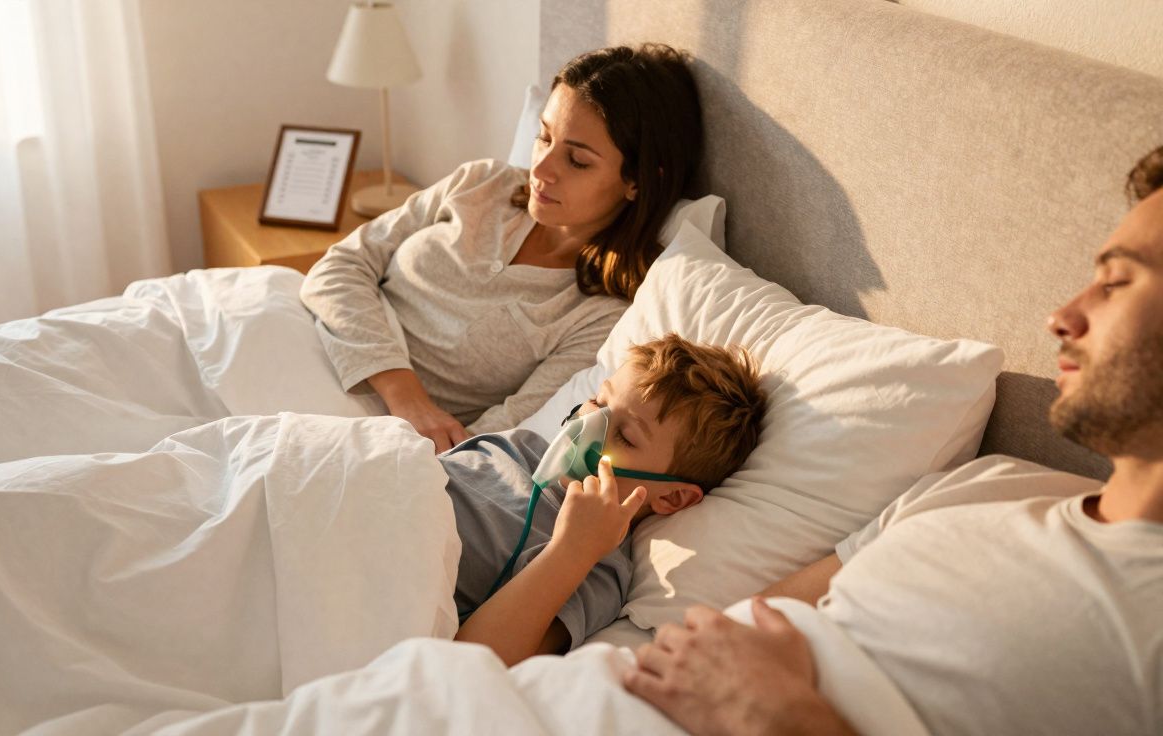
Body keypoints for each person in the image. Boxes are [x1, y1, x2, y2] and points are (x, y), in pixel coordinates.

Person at [622, 146, 1163, 735]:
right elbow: (745, 625)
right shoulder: (995, 483)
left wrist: (784, 720)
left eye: (1117, 283)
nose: (1061, 317)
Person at [299, 44, 704, 452]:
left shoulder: (598, 314)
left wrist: (410, 418)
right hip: (303, 338)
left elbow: (495, 436)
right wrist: (405, 395)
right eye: (543, 137)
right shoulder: (483, 183)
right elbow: (338, 266)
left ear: (638, 181)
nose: (541, 170)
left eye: (577, 161)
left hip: (357, 426)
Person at [445, 333, 767, 666]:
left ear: (672, 496)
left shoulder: (598, 569)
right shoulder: (519, 446)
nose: (589, 423)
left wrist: (571, 549)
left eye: (626, 437)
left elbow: (473, 661)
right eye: (599, 403)